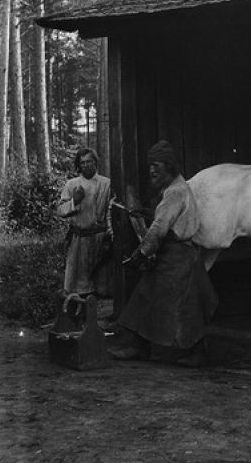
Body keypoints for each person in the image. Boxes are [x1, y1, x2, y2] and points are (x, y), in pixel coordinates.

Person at [110, 140, 218, 367]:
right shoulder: (177, 188)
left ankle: (196, 352)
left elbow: (160, 227)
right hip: (176, 255)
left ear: (169, 166)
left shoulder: (175, 192)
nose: (151, 171)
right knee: (147, 297)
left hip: (177, 258)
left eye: (156, 166)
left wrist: (141, 253)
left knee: (185, 308)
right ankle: (138, 346)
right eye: (150, 166)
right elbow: (167, 217)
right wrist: (146, 212)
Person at [57, 148, 113, 297]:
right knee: (77, 286)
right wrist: (75, 201)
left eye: (89, 162)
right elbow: (60, 211)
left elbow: (111, 210)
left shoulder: (106, 184)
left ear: (95, 163)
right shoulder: (72, 184)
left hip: (99, 241)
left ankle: (97, 314)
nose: (86, 165)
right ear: (79, 165)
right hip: (78, 242)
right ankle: (78, 314)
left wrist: (109, 235)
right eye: (83, 163)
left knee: (99, 284)